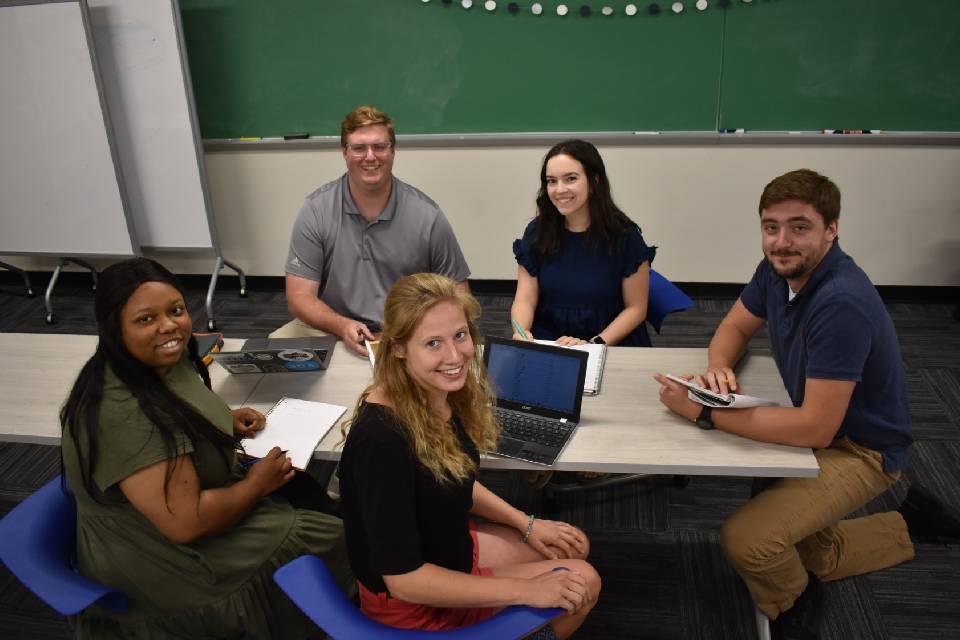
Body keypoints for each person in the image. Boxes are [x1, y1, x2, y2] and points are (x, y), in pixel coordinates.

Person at [653, 169, 916, 639]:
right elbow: (733, 328)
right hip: (822, 423)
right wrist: (718, 368)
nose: (781, 241)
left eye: (800, 227)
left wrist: (706, 411)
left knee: (748, 541)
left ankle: (797, 599)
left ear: (831, 230)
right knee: (817, 551)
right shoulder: (776, 268)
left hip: (861, 449)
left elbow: (814, 429)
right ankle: (910, 525)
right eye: (771, 227)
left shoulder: (840, 302)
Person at [60, 258, 354, 639]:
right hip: (160, 556)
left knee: (313, 501)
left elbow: (178, 402)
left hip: (189, 503)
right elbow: (186, 523)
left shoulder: (165, 356)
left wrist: (220, 419)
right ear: (114, 328)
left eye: (176, 310)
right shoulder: (122, 413)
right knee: (323, 537)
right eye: (145, 319)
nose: (169, 326)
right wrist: (255, 486)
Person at [338, 273, 601, 637]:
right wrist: (528, 589)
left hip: (447, 549)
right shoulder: (381, 442)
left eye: (460, 335)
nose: (455, 356)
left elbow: (450, 476)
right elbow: (403, 580)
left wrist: (525, 522)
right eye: (433, 343)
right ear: (397, 347)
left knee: (571, 546)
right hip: (415, 605)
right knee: (583, 582)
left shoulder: (434, 394)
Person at [275, 104, 471, 356]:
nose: (370, 157)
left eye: (379, 146)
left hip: (405, 329)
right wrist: (341, 325)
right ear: (344, 152)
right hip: (331, 324)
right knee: (276, 350)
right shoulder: (316, 210)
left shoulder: (427, 216)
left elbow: (460, 294)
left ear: (393, 151)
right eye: (359, 148)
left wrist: (414, 331)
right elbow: (299, 296)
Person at [511, 139, 656, 347]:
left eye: (570, 178)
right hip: (552, 339)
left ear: (594, 181)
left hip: (607, 341)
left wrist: (593, 345)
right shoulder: (537, 232)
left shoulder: (625, 236)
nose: (559, 189)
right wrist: (522, 331)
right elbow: (525, 299)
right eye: (551, 181)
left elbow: (636, 309)